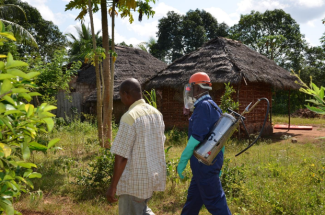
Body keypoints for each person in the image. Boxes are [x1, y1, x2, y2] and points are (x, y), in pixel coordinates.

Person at [106, 78, 166, 215]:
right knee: (141, 209)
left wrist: (113, 186)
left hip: (133, 183)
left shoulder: (129, 117)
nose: (121, 99)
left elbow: (121, 157)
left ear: (126, 94)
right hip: (150, 177)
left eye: (120, 96)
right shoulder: (156, 114)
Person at [177, 72, 231, 215]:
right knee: (193, 203)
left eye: (191, 88)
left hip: (204, 166)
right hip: (206, 164)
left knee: (216, 203)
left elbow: (196, 138)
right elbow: (221, 139)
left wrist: (183, 161)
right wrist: (219, 162)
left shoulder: (202, 107)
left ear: (198, 88)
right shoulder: (213, 106)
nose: (190, 92)